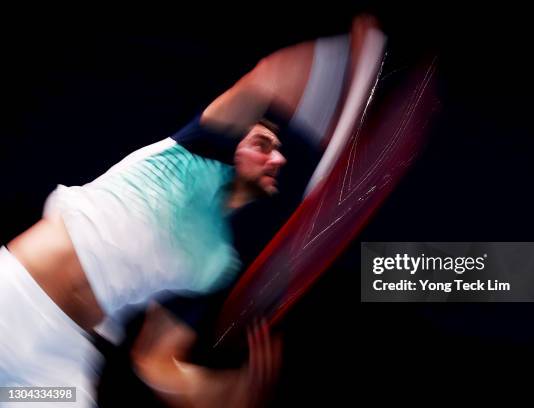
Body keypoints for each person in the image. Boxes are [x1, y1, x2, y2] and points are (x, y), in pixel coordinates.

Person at [0, 15, 370, 407]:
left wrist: (221, 393)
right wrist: (348, 66)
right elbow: (270, 79)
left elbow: (156, 360)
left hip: (52, 367)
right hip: (13, 298)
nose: (276, 157)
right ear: (236, 145)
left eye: (279, 152)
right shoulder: (188, 154)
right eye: (262, 142)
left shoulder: (217, 263)